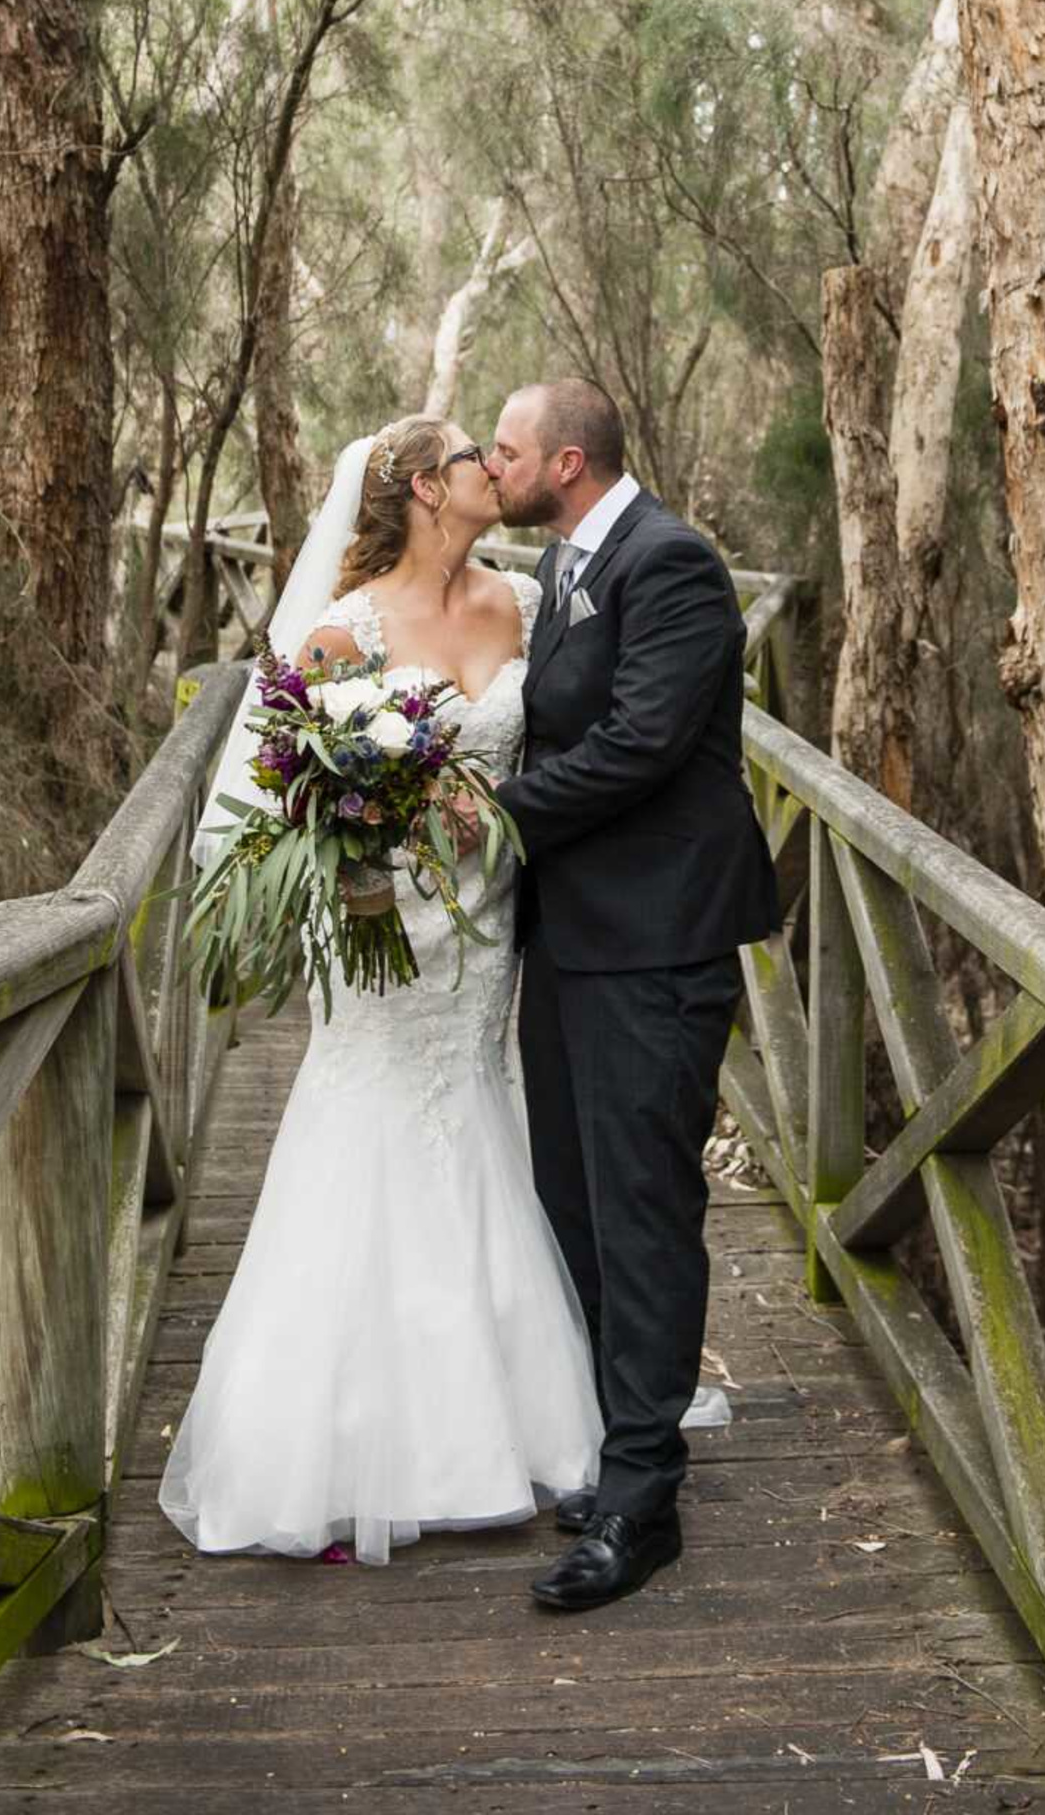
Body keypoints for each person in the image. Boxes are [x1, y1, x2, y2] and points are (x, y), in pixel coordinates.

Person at [157, 416, 601, 1564]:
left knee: (472, 1115)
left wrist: (497, 813)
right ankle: (340, 1445)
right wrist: (381, 818)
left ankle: (500, 1417)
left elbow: (559, 738)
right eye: (472, 460)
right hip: (382, 928)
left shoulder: (518, 603)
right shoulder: (342, 629)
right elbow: (277, 790)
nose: (491, 473)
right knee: (372, 1124)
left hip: (487, 921)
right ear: (419, 486)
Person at [486, 377, 781, 1612]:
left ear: (563, 460)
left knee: (643, 1209)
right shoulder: (562, 563)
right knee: (575, 1200)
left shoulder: (672, 565)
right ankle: (618, 1445)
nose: (481, 461)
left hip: (654, 942)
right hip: (569, 937)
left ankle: (642, 1502)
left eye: (499, 447)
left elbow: (641, 742)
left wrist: (486, 815)